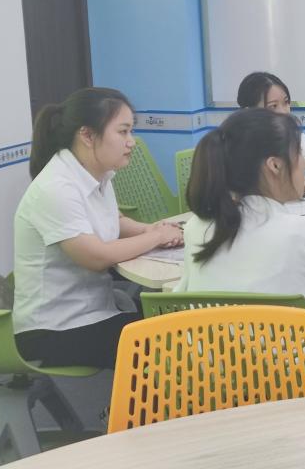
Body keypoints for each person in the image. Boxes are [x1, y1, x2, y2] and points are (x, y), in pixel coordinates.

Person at [14, 87, 183, 368]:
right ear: (88, 135)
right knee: (171, 344)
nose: (131, 142)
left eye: (131, 131)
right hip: (54, 327)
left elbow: (115, 221)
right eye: (123, 131)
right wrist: (155, 237)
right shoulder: (56, 188)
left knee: (177, 323)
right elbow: (95, 257)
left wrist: (147, 229)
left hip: (93, 309)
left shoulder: (97, 173)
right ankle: (138, 399)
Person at [176, 108, 305, 319]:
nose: (303, 165)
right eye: (298, 154)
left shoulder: (195, 227)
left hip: (209, 342)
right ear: (275, 165)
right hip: (287, 343)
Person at [237, 71, 305, 194]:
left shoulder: (294, 138)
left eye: (286, 102)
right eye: (273, 106)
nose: (284, 112)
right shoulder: (235, 145)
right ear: (249, 112)